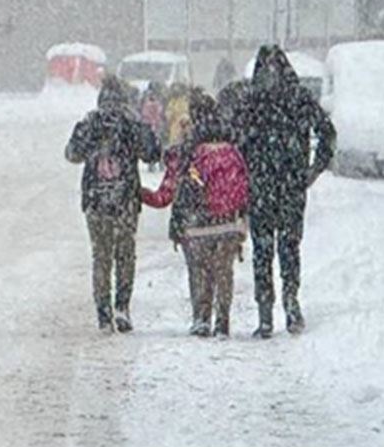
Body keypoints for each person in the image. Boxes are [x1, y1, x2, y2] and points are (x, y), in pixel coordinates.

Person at [233, 45, 336, 337]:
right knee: (289, 248)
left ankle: (266, 314)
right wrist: (312, 170)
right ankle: (290, 304)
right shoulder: (299, 97)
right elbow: (327, 133)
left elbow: (236, 142)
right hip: (289, 186)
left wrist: (245, 174)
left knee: (264, 251)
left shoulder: (251, 101)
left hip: (261, 187)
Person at [140, 91, 250, 338]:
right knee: (224, 271)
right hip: (228, 222)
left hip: (196, 224)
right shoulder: (233, 146)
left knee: (199, 270)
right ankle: (222, 320)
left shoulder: (184, 151)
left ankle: (201, 318)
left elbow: (164, 196)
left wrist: (140, 194)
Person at [66, 75, 162, 333]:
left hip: (96, 200)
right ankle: (122, 306)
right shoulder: (131, 123)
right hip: (125, 200)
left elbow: (72, 154)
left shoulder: (90, 121)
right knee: (125, 254)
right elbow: (152, 152)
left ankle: (103, 313)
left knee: (101, 256)